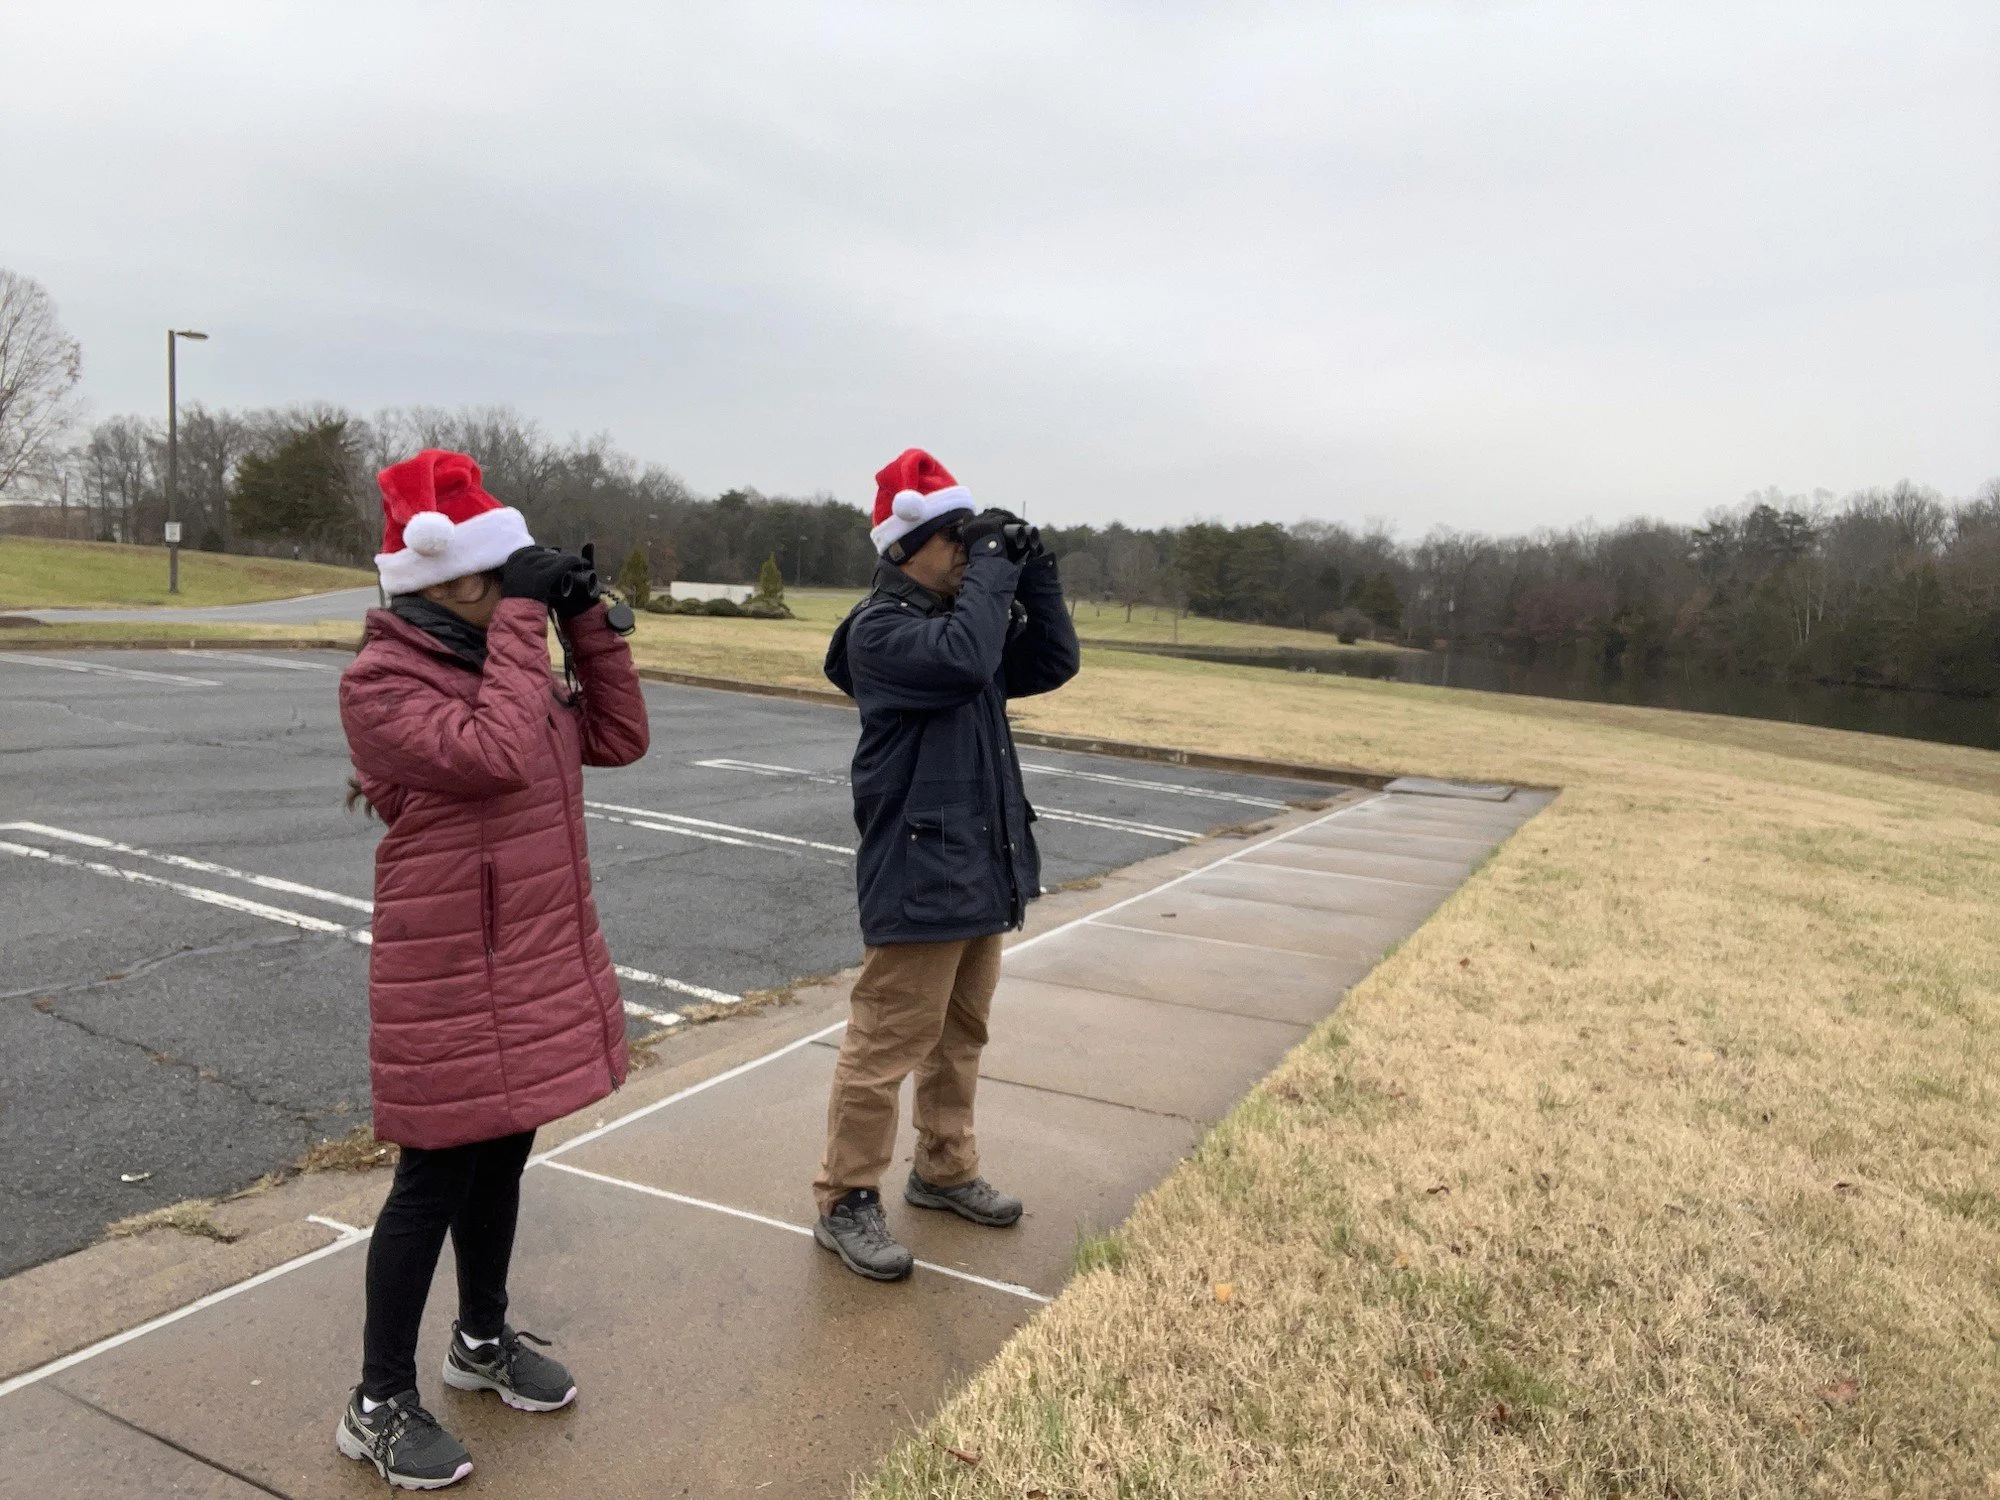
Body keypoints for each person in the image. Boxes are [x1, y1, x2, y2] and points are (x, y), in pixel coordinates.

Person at [334, 449, 649, 1489]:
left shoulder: (499, 658)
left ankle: (480, 1340)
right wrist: (525, 621)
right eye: (497, 572)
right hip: (450, 972)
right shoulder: (380, 681)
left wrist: (588, 624)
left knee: (504, 1153)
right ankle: (377, 1401)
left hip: (532, 953)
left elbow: (615, 736)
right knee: (432, 1178)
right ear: (437, 578)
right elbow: (496, 756)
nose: (516, 585)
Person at [813, 448, 1080, 1280]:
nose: (969, 550)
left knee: (961, 1033)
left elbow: (1053, 660)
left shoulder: (962, 622)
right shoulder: (882, 632)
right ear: (901, 548)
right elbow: (968, 658)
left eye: (975, 537)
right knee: (887, 1040)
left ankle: (944, 1166)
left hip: (981, 862)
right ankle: (845, 1197)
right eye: (953, 537)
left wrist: (1031, 571)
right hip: (920, 870)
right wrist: (993, 572)